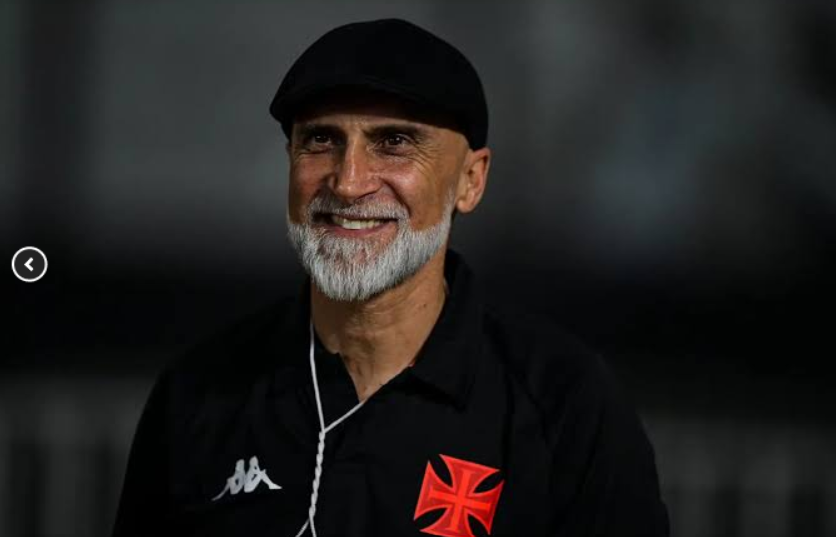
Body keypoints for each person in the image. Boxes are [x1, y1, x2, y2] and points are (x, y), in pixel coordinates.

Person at [112, 18, 669, 537]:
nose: (349, 182)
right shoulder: (200, 392)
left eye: (394, 143)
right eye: (321, 140)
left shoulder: (565, 403)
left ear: (470, 181)